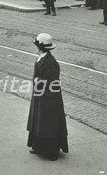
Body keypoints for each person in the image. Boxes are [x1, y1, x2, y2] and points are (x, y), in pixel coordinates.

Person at [26, 33, 68, 161]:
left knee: (48, 124)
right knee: (39, 121)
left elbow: (53, 83)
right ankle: (38, 146)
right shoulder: (42, 58)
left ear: (40, 47)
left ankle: (51, 151)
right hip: (41, 96)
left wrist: (39, 81)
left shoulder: (49, 63)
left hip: (49, 99)